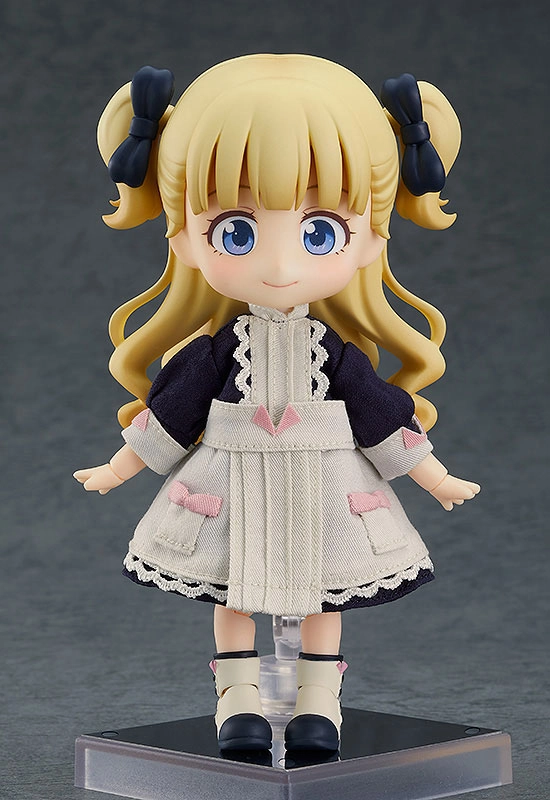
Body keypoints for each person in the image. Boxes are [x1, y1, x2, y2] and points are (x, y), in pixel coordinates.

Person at [74, 55, 480, 752]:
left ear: (370, 240)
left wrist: (434, 476)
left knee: (323, 593)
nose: (283, 265)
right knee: (231, 590)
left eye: (319, 231)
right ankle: (237, 698)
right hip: (231, 483)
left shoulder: (338, 356)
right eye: (237, 230)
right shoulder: (214, 354)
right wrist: (119, 467)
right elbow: (171, 414)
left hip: (323, 485)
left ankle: (320, 701)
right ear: (184, 236)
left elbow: (380, 415)